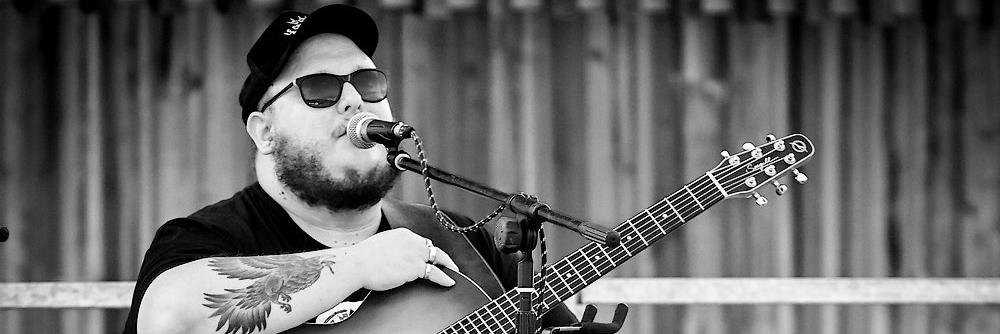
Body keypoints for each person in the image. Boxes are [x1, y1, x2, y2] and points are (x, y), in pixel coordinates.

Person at [123, 4, 577, 334]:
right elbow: (170, 318)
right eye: (319, 88)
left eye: (367, 81)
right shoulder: (206, 240)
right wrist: (356, 265)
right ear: (264, 132)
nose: (355, 98)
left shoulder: (465, 241)